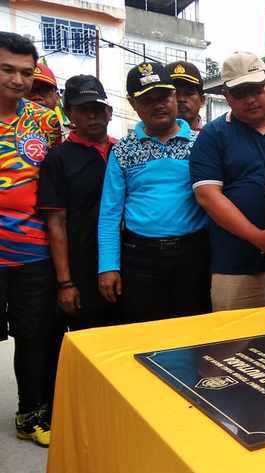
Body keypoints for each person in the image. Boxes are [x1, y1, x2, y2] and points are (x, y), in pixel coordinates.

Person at [98, 62, 209, 323]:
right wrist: (108, 267)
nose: (158, 105)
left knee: (194, 333)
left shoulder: (201, 144)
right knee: (144, 335)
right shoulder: (122, 150)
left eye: (163, 97)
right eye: (147, 100)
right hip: (140, 259)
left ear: (173, 97)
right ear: (133, 104)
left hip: (193, 256)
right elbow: (110, 214)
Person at [190, 52, 265, 311]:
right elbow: (208, 196)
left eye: (256, 89)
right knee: (234, 345)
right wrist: (258, 237)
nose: (250, 99)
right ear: (227, 97)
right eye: (240, 93)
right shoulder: (213, 136)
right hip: (235, 265)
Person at [0, 32, 61, 447]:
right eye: (7, 69)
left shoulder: (45, 121)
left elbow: (57, 185)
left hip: (34, 253)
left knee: (34, 338)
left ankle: (31, 414)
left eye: (26, 72)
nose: (18, 80)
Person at [38, 75, 119, 330]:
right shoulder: (58, 159)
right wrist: (65, 283)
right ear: (70, 113)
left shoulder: (124, 151)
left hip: (128, 264)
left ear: (109, 112)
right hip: (82, 269)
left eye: (97, 109)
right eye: (83, 110)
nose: (92, 116)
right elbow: (56, 223)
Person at [167, 61, 205, 131]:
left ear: (202, 100)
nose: (181, 99)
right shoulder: (147, 139)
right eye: (174, 94)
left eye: (189, 93)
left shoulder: (214, 137)